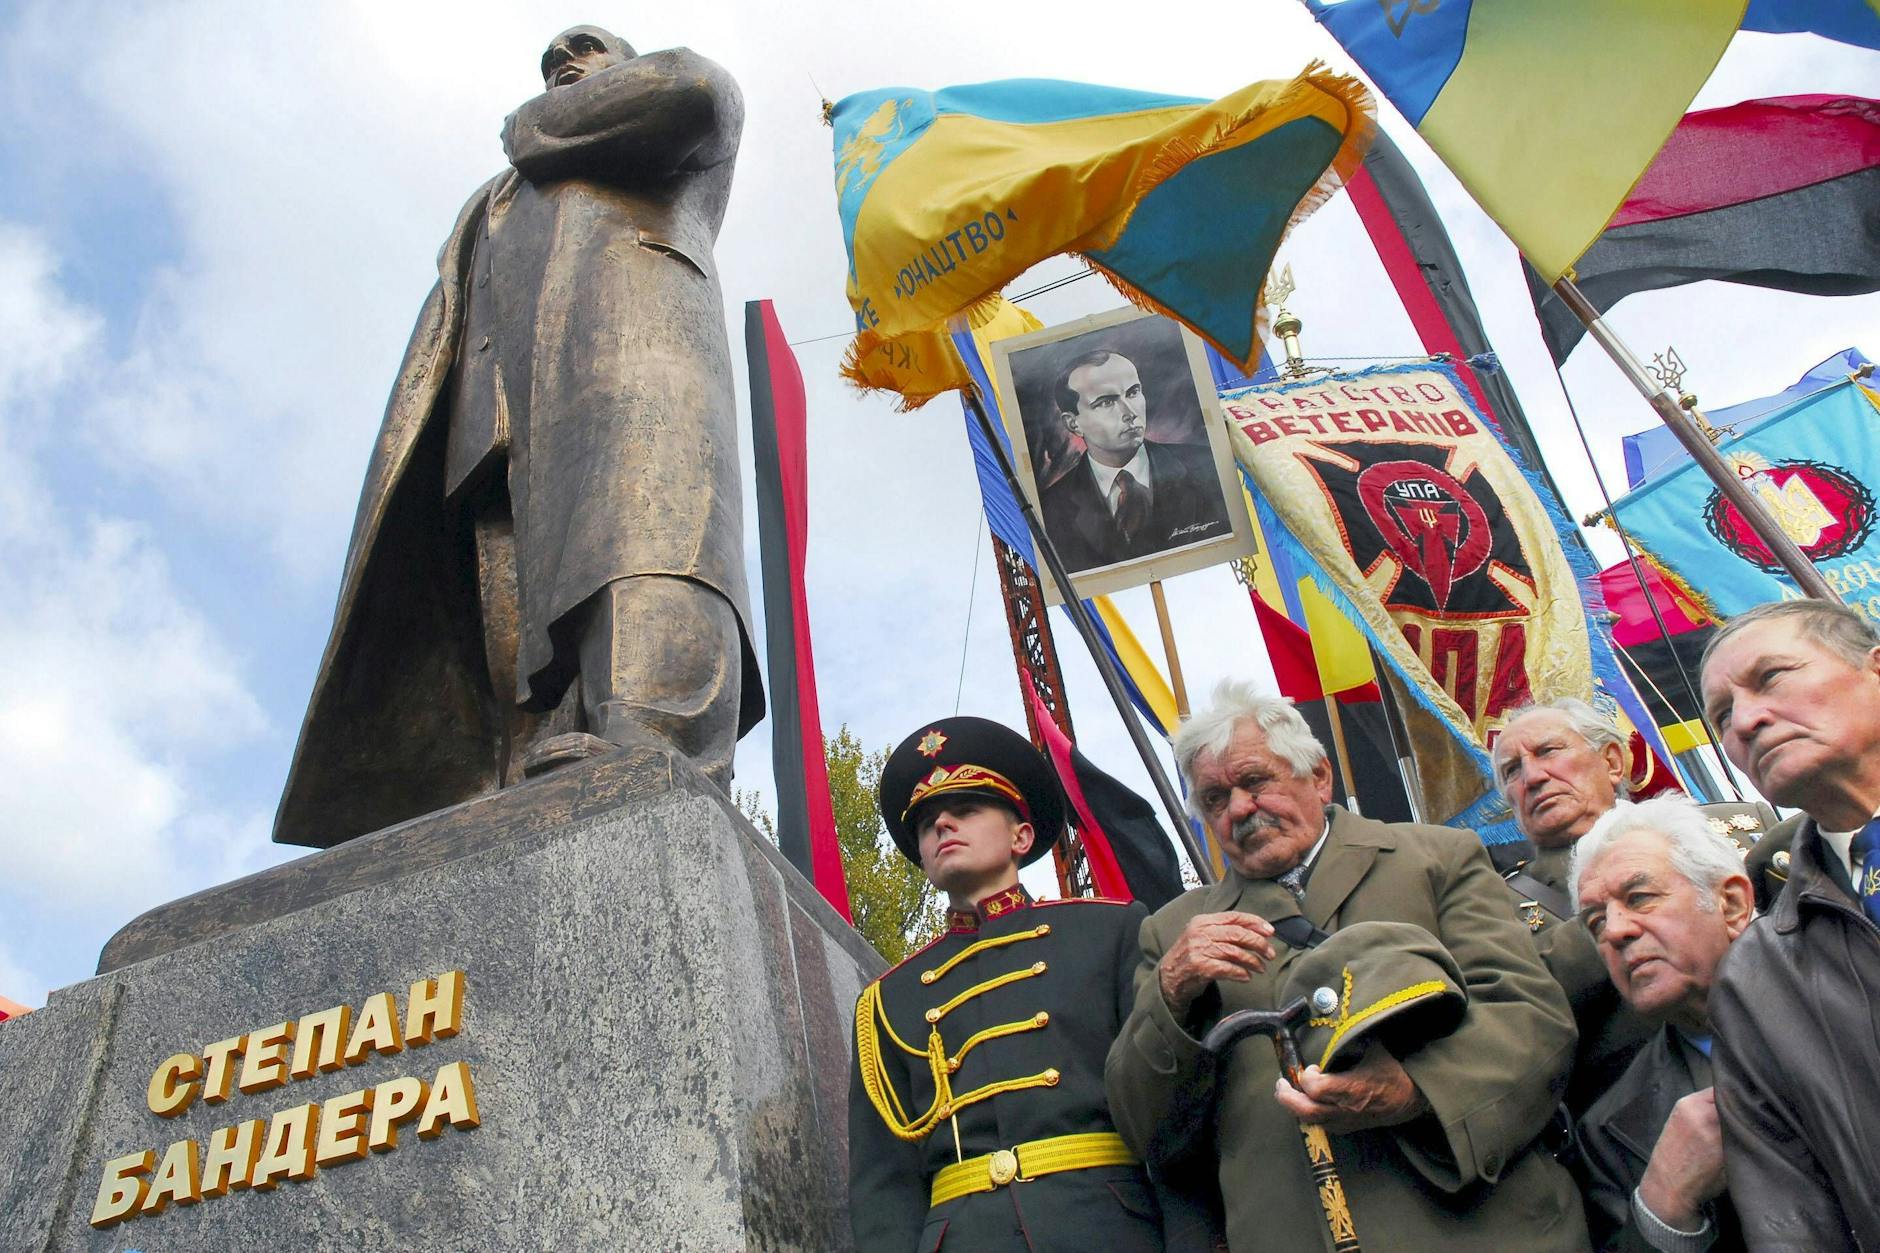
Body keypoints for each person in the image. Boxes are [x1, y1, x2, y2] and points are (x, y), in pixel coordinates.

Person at [274, 25, 762, 849]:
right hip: (499, 430)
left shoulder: (659, 127)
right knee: (514, 613)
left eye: (585, 51)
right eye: (550, 65)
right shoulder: (495, 198)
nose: (562, 66)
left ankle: (655, 744)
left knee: (648, 554)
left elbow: (695, 92)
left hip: (632, 367)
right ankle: (516, 768)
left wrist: (531, 125)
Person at [1105, 680, 1587, 1252]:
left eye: (1255, 780)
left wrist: (1416, 1092)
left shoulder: (1436, 859)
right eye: (1214, 799)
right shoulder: (1173, 934)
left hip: (1490, 1232)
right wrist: (1171, 993)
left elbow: (1533, 1020)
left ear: (1319, 776)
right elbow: (1146, 1133)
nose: (1237, 808)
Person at [848, 717, 1193, 1252]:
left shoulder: (1109, 931)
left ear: (1021, 836)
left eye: (966, 810)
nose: (942, 824)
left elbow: (1169, 1118)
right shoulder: (889, 1001)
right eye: (926, 825)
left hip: (1105, 1227)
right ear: (921, 856)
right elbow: (884, 1187)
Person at [1698, 598, 1880, 1248]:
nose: (1746, 720)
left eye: (1771, 676)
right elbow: (1790, 1212)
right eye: (1722, 715)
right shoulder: (1754, 976)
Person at [1569, 796, 1754, 1253]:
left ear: (1730, 904)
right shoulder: (1607, 1133)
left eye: (1640, 898)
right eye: (1595, 922)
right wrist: (1664, 1207)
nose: (1614, 931)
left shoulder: (1857, 981)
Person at [1492, 700, 1654, 1114]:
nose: (1533, 776)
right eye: (1512, 770)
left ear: (1613, 762)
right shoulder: (1490, 908)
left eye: (1549, 751)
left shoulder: (1734, 829)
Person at [1038, 348, 1231, 572]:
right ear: (1073, 424)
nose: (1129, 411)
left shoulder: (1208, 467)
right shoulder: (1050, 512)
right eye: (1105, 403)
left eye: (1132, 392)